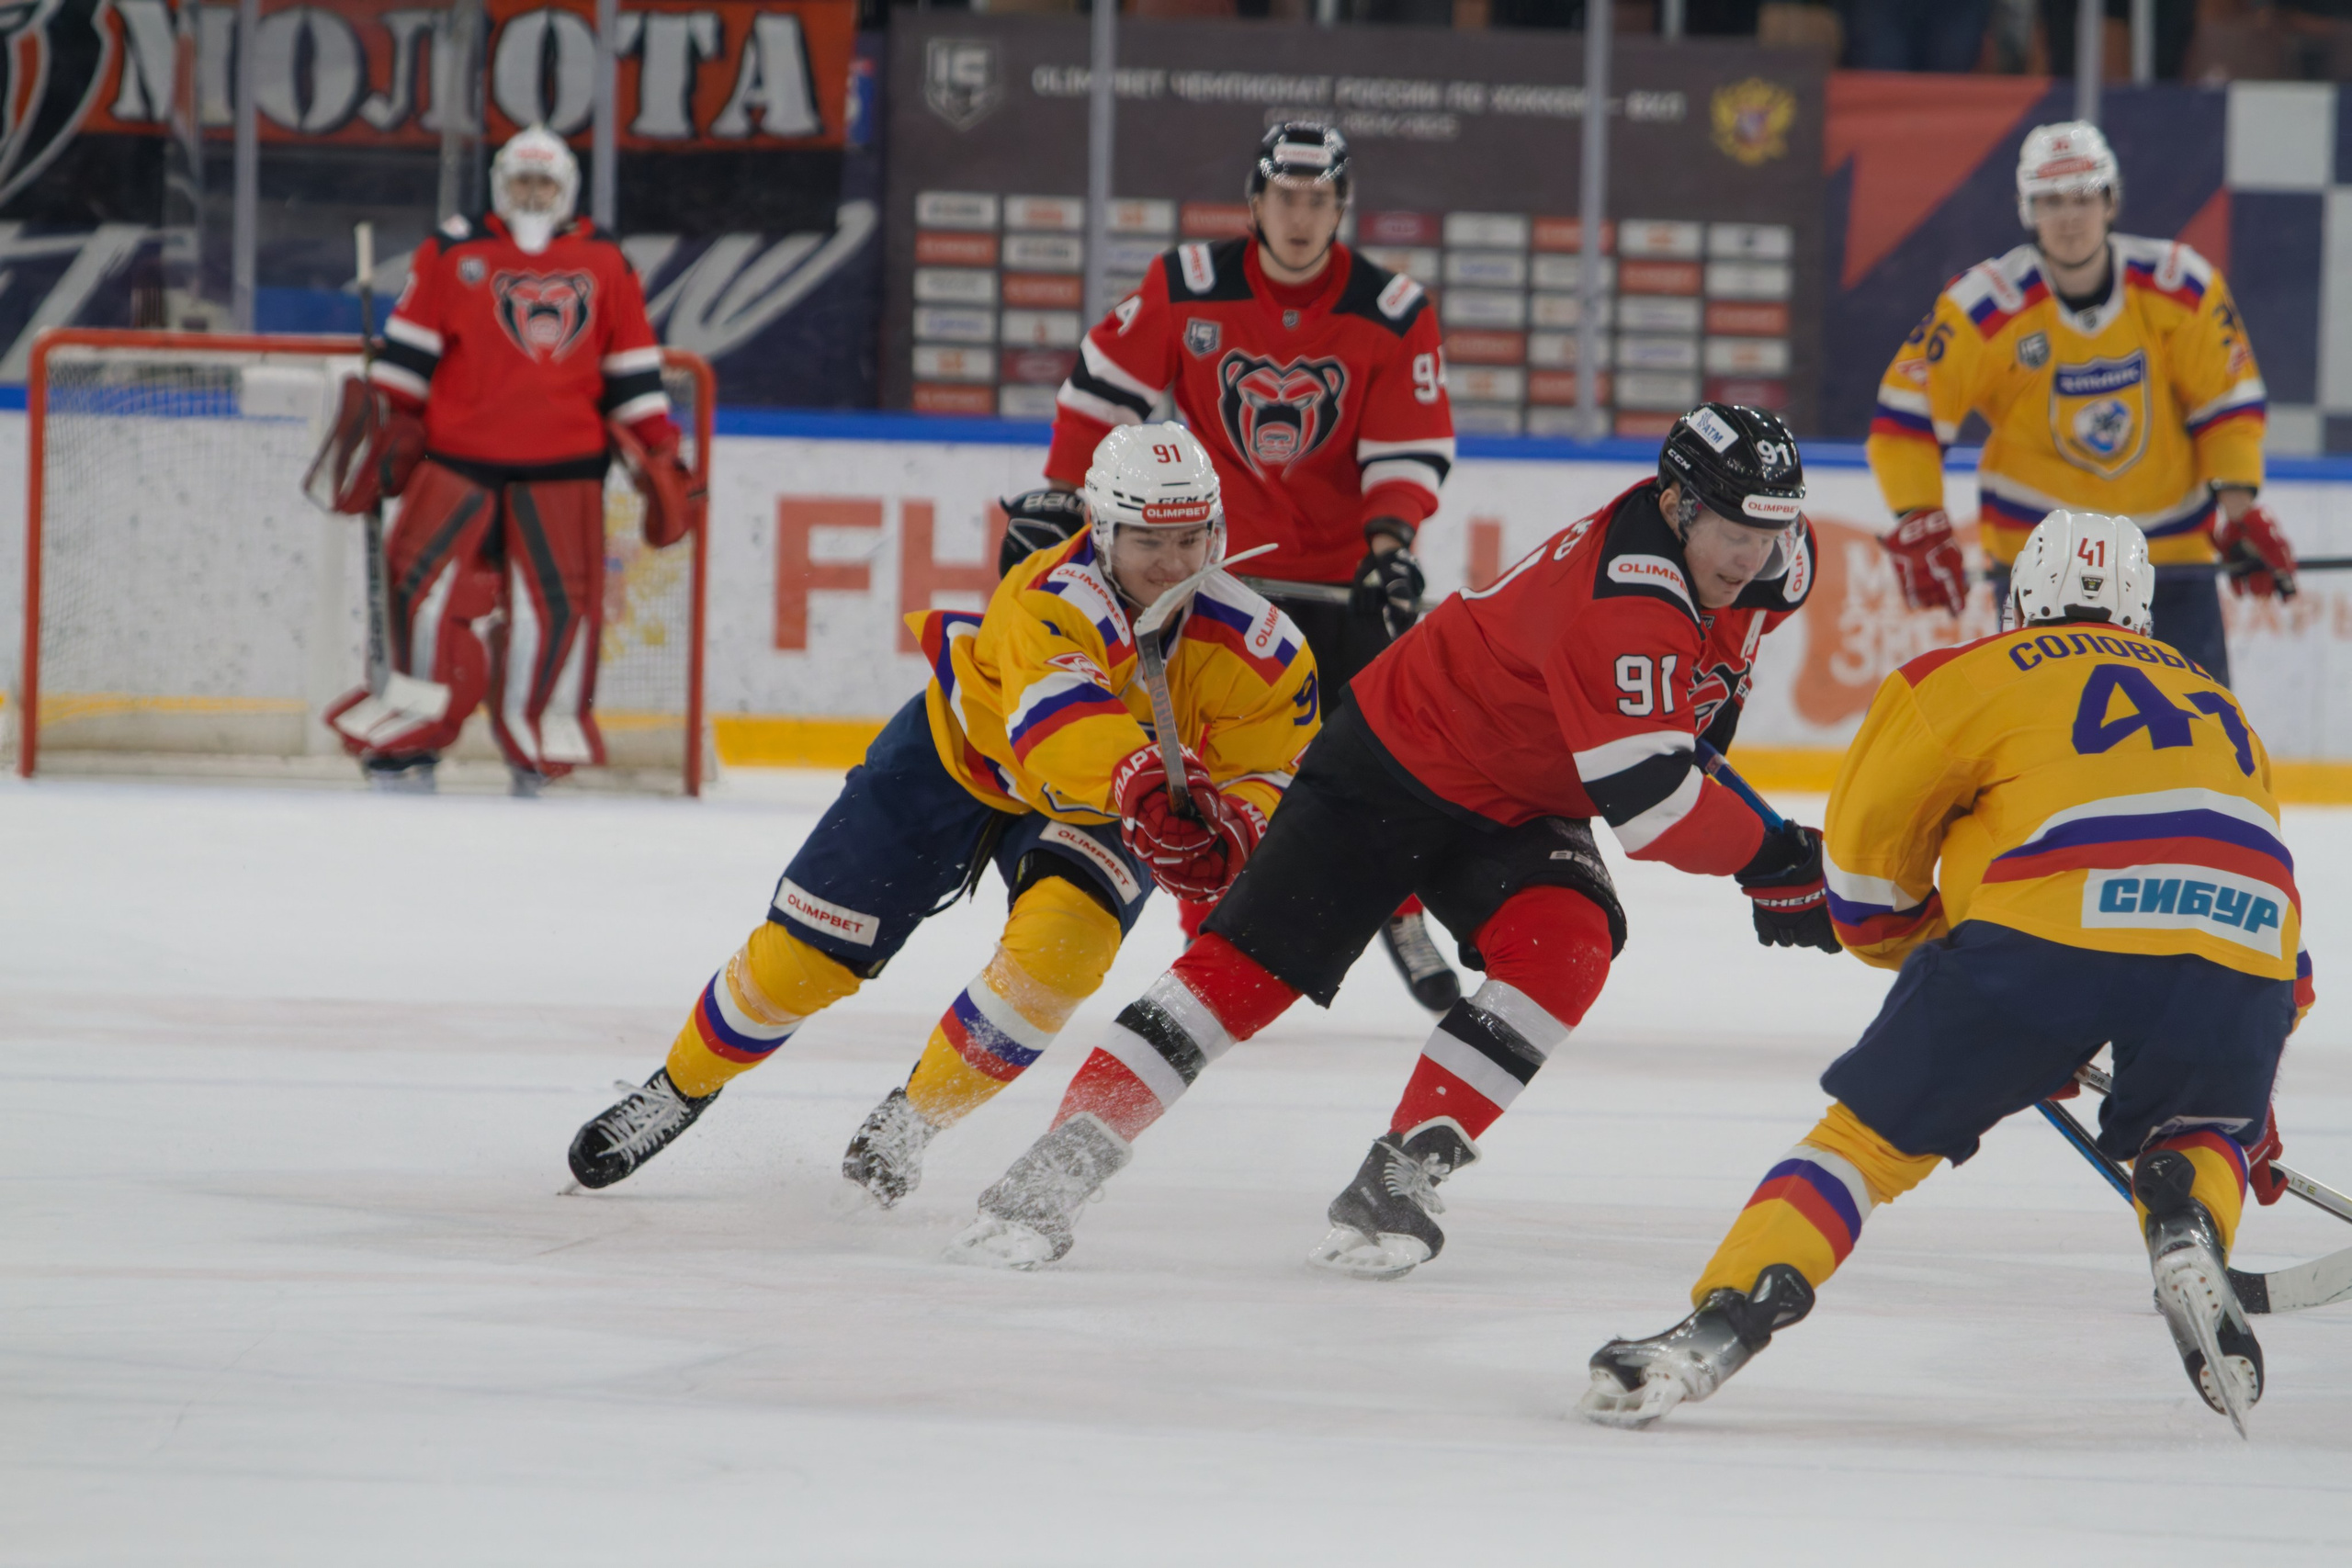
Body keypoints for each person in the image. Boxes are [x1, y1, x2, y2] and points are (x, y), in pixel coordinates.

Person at [944, 404, 1837, 1273]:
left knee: (1566, 950)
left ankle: (1398, 1174)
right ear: (1677, 504)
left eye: (1771, 530)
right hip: (1396, 756)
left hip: (1519, 791)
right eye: (1731, 529)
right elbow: (1653, 804)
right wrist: (1776, 856)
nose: (1751, 555)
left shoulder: (1774, 567)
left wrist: (1763, 847)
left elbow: (1690, 733)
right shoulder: (1623, 605)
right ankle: (1049, 1172)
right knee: (1242, 976)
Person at [1579, 510, 2312, 1435]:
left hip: (2043, 940)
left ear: (2019, 597)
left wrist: (1968, 963)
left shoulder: (1962, 673)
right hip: (2242, 944)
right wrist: (2248, 1113)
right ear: (2142, 606)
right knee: (2197, 1129)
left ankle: (1724, 1320)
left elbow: (1862, 886)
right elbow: (2273, 937)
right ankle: (2188, 1220)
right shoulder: (2218, 701)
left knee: (1863, 1148)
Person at [563, 424, 1320, 1207]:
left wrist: (1243, 825)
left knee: (1057, 961)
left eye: (1191, 539)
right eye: (1147, 542)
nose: (1172, 565)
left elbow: (1272, 766)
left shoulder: (1264, 648)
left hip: (1107, 808)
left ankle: (913, 1121)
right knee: (801, 961)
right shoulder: (1049, 595)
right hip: (958, 760)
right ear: (1100, 530)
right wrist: (1144, 782)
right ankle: (678, 1087)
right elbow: (1059, 726)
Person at [1043, 120, 1464, 1012]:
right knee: (1212, 766)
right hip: (1216, 578)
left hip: (1342, 577)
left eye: (1319, 201)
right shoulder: (1187, 286)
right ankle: (1217, 930)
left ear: (1341, 208)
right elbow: (1097, 392)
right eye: (1286, 198)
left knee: (1385, 758)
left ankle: (1399, 905)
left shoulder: (1391, 310)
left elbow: (1408, 445)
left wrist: (1390, 548)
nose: (1302, 217)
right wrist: (1056, 495)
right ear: (1253, 202)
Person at [311, 125, 697, 795]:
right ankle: (412, 734)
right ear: (499, 184)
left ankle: (537, 739)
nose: (532, 193)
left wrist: (659, 443)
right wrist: (386, 419)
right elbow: (407, 362)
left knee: (557, 609)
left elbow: (631, 370)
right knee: (420, 594)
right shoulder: (453, 249)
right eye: (521, 180)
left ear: (567, 189)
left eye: (545, 182)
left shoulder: (606, 260)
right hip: (458, 461)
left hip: (566, 468)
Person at [1871, 121, 2294, 688]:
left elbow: (2227, 405)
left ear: (2111, 200)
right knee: (2041, 751)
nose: (2069, 217)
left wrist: (2240, 511)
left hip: (2167, 565)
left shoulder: (2181, 286)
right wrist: (1918, 515)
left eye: (2083, 197)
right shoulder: (1983, 306)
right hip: (2043, 570)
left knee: (2195, 748)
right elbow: (1907, 419)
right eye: (2049, 201)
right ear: (2026, 208)